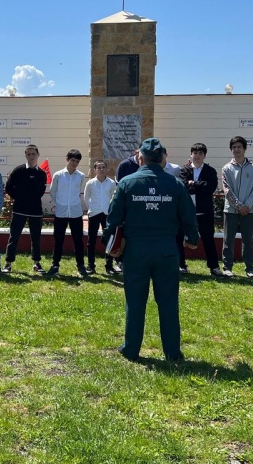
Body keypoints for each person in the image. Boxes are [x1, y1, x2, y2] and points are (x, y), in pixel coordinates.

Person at [103, 138, 198, 362]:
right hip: (167, 249)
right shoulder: (175, 184)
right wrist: (192, 239)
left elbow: (113, 218)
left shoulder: (127, 183)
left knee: (135, 301)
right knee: (168, 302)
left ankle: (131, 349)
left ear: (140, 159)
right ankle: (172, 353)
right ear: (163, 159)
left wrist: (110, 244)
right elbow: (188, 215)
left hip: (136, 250)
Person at [3, 145, 48, 273]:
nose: (31, 156)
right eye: (28, 154)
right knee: (14, 236)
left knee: (36, 238)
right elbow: (9, 188)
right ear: (25, 155)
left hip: (35, 210)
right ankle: (8, 264)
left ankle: (37, 263)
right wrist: (20, 198)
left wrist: (33, 199)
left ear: (38, 155)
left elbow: (41, 190)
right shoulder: (18, 170)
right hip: (19, 209)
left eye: (33, 154)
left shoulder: (42, 174)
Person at [179, 143, 222, 277]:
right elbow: (182, 186)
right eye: (195, 153)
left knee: (208, 239)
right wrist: (198, 185)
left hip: (205, 211)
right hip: (186, 211)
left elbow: (210, 188)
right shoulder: (184, 170)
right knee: (180, 238)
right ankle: (181, 265)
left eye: (200, 153)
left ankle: (214, 267)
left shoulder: (210, 171)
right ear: (191, 154)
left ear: (204, 156)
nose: (197, 156)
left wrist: (193, 183)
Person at [221, 136, 253, 278]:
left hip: (248, 211)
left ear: (244, 149)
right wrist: (238, 206)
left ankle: (249, 268)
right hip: (230, 210)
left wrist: (247, 206)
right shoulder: (226, 168)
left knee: (248, 240)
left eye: (239, 147)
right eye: (234, 147)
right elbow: (226, 190)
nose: (236, 149)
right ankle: (227, 268)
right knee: (228, 240)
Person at [47, 150, 87, 276]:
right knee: (58, 240)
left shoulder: (81, 176)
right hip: (61, 213)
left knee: (78, 240)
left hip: (76, 212)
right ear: (67, 159)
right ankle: (55, 265)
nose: (74, 163)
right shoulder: (58, 175)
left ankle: (81, 266)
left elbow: (78, 191)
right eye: (72, 160)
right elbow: (53, 192)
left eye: (77, 161)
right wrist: (59, 204)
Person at [84, 160, 117, 275]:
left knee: (108, 240)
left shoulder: (111, 183)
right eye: (99, 168)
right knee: (91, 240)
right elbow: (86, 197)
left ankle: (109, 266)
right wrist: (91, 208)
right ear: (95, 170)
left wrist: (110, 210)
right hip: (94, 213)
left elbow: (114, 198)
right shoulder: (90, 183)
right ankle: (91, 266)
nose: (101, 169)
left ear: (106, 169)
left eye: (103, 167)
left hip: (107, 214)